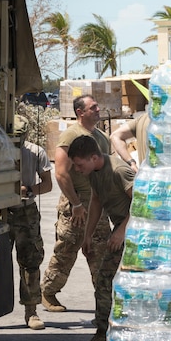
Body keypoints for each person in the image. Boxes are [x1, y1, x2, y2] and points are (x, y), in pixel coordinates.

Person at [0, 117, 54, 333]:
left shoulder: (36, 152)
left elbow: (48, 184)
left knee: (31, 261)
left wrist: (30, 190)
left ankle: (31, 310)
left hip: (26, 211)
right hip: (0, 211)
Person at [41, 95, 111, 313]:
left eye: (97, 106)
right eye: (93, 107)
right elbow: (61, 173)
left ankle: (104, 302)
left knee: (100, 253)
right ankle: (48, 292)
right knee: (67, 250)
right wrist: (76, 204)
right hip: (77, 206)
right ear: (80, 112)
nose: (98, 109)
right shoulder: (71, 136)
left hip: (97, 205)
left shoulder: (101, 137)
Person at [68, 134, 135, 341]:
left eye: (79, 165)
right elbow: (96, 201)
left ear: (94, 157)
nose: (77, 170)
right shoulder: (94, 172)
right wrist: (87, 234)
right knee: (111, 281)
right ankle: (114, 332)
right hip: (123, 230)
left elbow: (143, 204)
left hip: (136, 234)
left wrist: (122, 231)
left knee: (106, 279)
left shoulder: (119, 171)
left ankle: (102, 334)